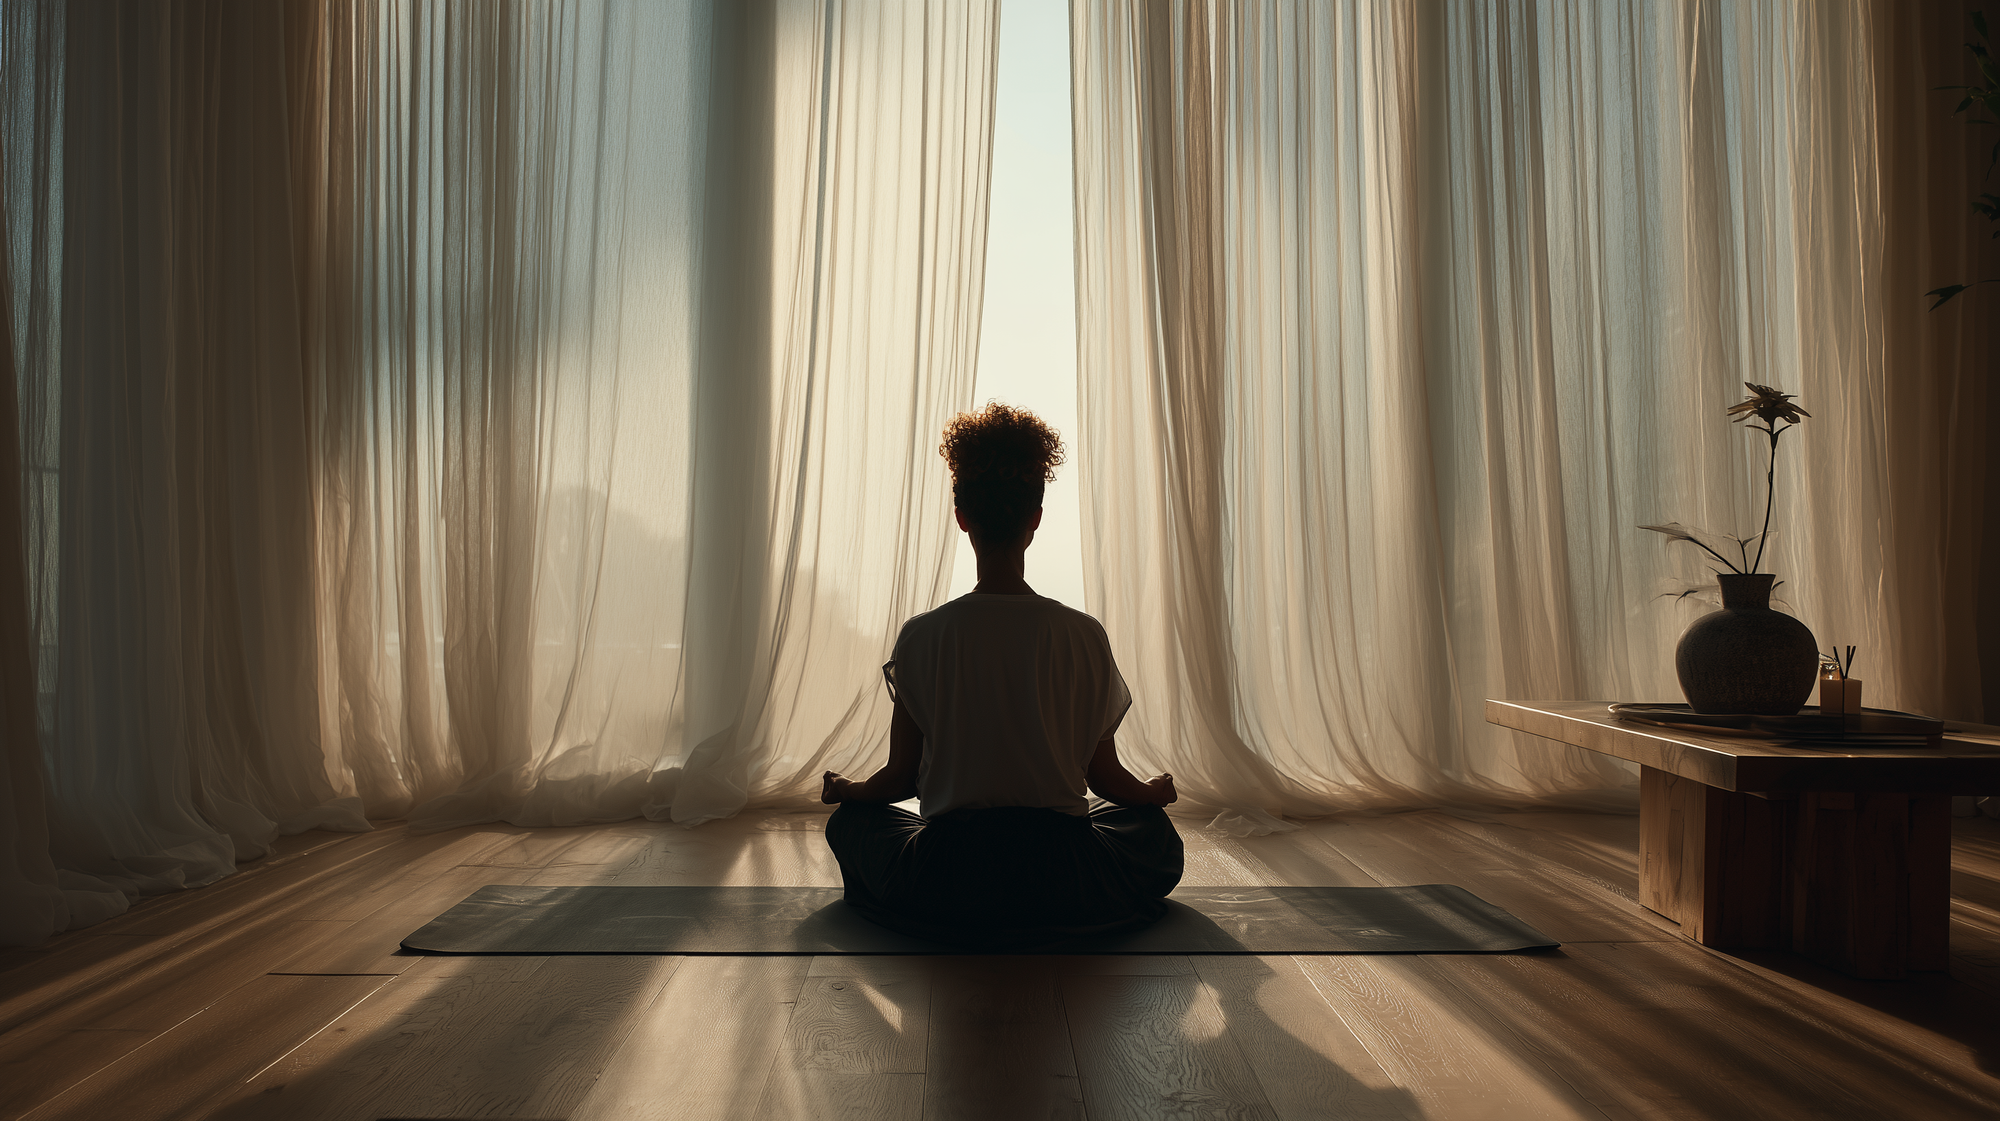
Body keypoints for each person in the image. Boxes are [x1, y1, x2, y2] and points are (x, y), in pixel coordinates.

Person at [820, 402, 1183, 947]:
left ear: (962, 516)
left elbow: (899, 778)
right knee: (1151, 833)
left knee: (851, 824)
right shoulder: (1083, 634)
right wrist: (1152, 794)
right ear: (1035, 517)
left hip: (948, 876)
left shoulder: (922, 636)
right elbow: (1106, 780)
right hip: (1067, 873)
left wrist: (850, 789)